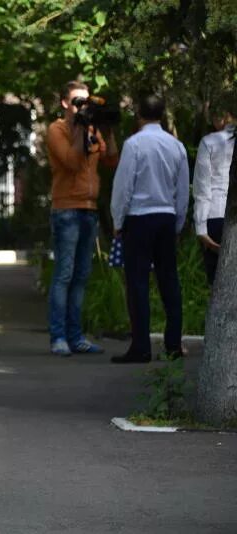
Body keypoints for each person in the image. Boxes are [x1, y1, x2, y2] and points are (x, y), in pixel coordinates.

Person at [110, 95, 189, 363]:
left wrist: (118, 221)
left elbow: (124, 187)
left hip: (139, 219)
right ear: (162, 114)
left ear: (139, 115)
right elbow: (182, 191)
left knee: (138, 284)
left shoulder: (134, 145)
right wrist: (178, 224)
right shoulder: (176, 146)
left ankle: (141, 347)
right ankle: (173, 344)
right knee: (169, 281)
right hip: (166, 218)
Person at [46, 81, 119, 356]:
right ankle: (59, 337)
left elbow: (111, 159)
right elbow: (72, 162)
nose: (82, 107)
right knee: (64, 274)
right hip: (66, 209)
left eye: (86, 101)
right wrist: (78, 129)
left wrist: (106, 129)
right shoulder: (58, 130)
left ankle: (76, 337)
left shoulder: (90, 129)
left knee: (82, 275)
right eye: (78, 101)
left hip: (89, 209)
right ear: (65, 103)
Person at [192, 108, 235, 285]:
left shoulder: (210, 141)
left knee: (218, 283)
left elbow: (203, 187)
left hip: (216, 215)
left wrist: (200, 227)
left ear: (224, 116)